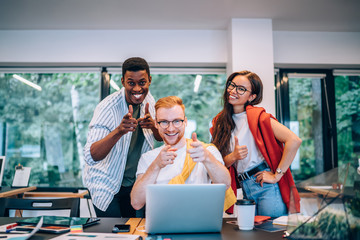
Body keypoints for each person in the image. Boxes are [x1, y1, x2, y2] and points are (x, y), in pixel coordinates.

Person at [210, 70, 302, 217]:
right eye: (232, 85)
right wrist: (233, 156)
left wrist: (276, 176)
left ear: (251, 97)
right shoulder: (219, 123)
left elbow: (294, 140)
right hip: (245, 188)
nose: (233, 91)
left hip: (265, 185)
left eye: (241, 89)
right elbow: (219, 164)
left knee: (271, 234)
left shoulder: (259, 117)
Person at [83, 57, 162, 217]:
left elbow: (160, 138)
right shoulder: (107, 108)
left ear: (149, 81)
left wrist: (153, 126)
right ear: (123, 82)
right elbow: (91, 156)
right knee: (114, 232)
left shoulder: (150, 101)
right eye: (131, 83)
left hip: (134, 183)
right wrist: (119, 131)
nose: (137, 89)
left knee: (137, 229)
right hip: (106, 184)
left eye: (142, 82)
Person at [131, 96, 236, 211]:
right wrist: (156, 165)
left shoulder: (206, 151)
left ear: (185, 122)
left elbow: (225, 184)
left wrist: (207, 158)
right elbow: (136, 203)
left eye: (176, 121)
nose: (171, 129)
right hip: (163, 224)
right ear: (156, 124)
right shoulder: (148, 158)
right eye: (164, 122)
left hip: (199, 223)